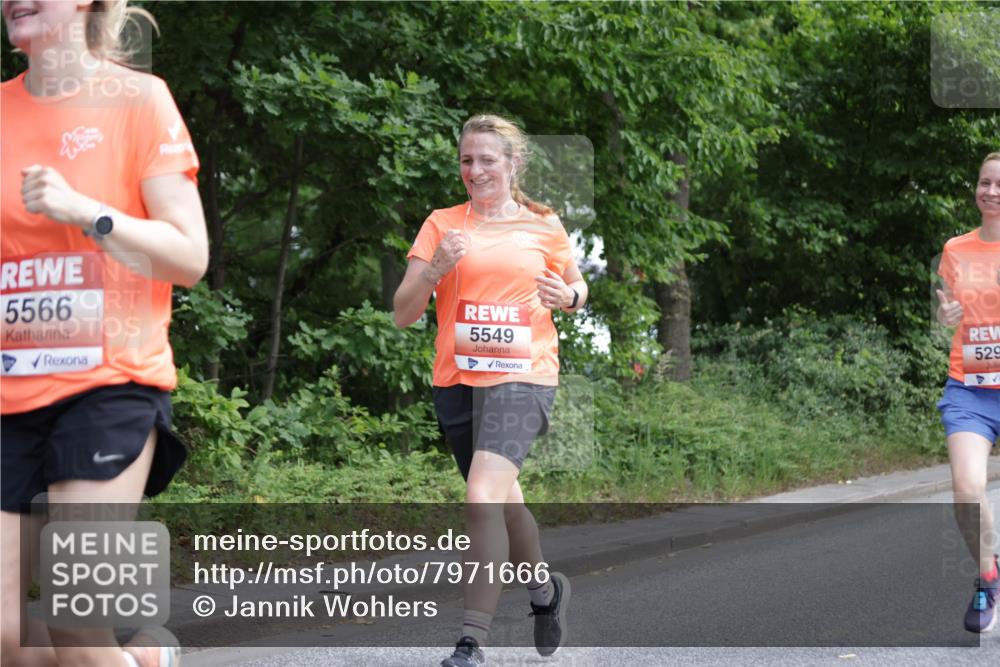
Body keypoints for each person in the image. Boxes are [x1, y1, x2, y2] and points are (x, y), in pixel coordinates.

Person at [1, 1, 207, 665]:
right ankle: (143, 660)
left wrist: (85, 210)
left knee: (76, 619)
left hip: (111, 385)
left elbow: (188, 254)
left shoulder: (139, 100)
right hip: (8, 394)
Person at [394, 114, 587, 666]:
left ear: (514, 163)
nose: (474, 171)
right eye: (466, 160)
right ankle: (546, 592)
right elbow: (402, 315)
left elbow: (577, 284)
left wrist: (568, 297)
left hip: (523, 378)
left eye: (487, 160)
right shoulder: (441, 224)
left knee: (481, 494)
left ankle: (471, 642)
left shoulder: (543, 224)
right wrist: (434, 270)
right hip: (457, 382)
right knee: (502, 504)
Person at [935, 151, 1000, 633]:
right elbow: (946, 314)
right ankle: (987, 578)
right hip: (970, 390)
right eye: (985, 183)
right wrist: (945, 318)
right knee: (966, 490)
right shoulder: (955, 249)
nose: (992, 192)